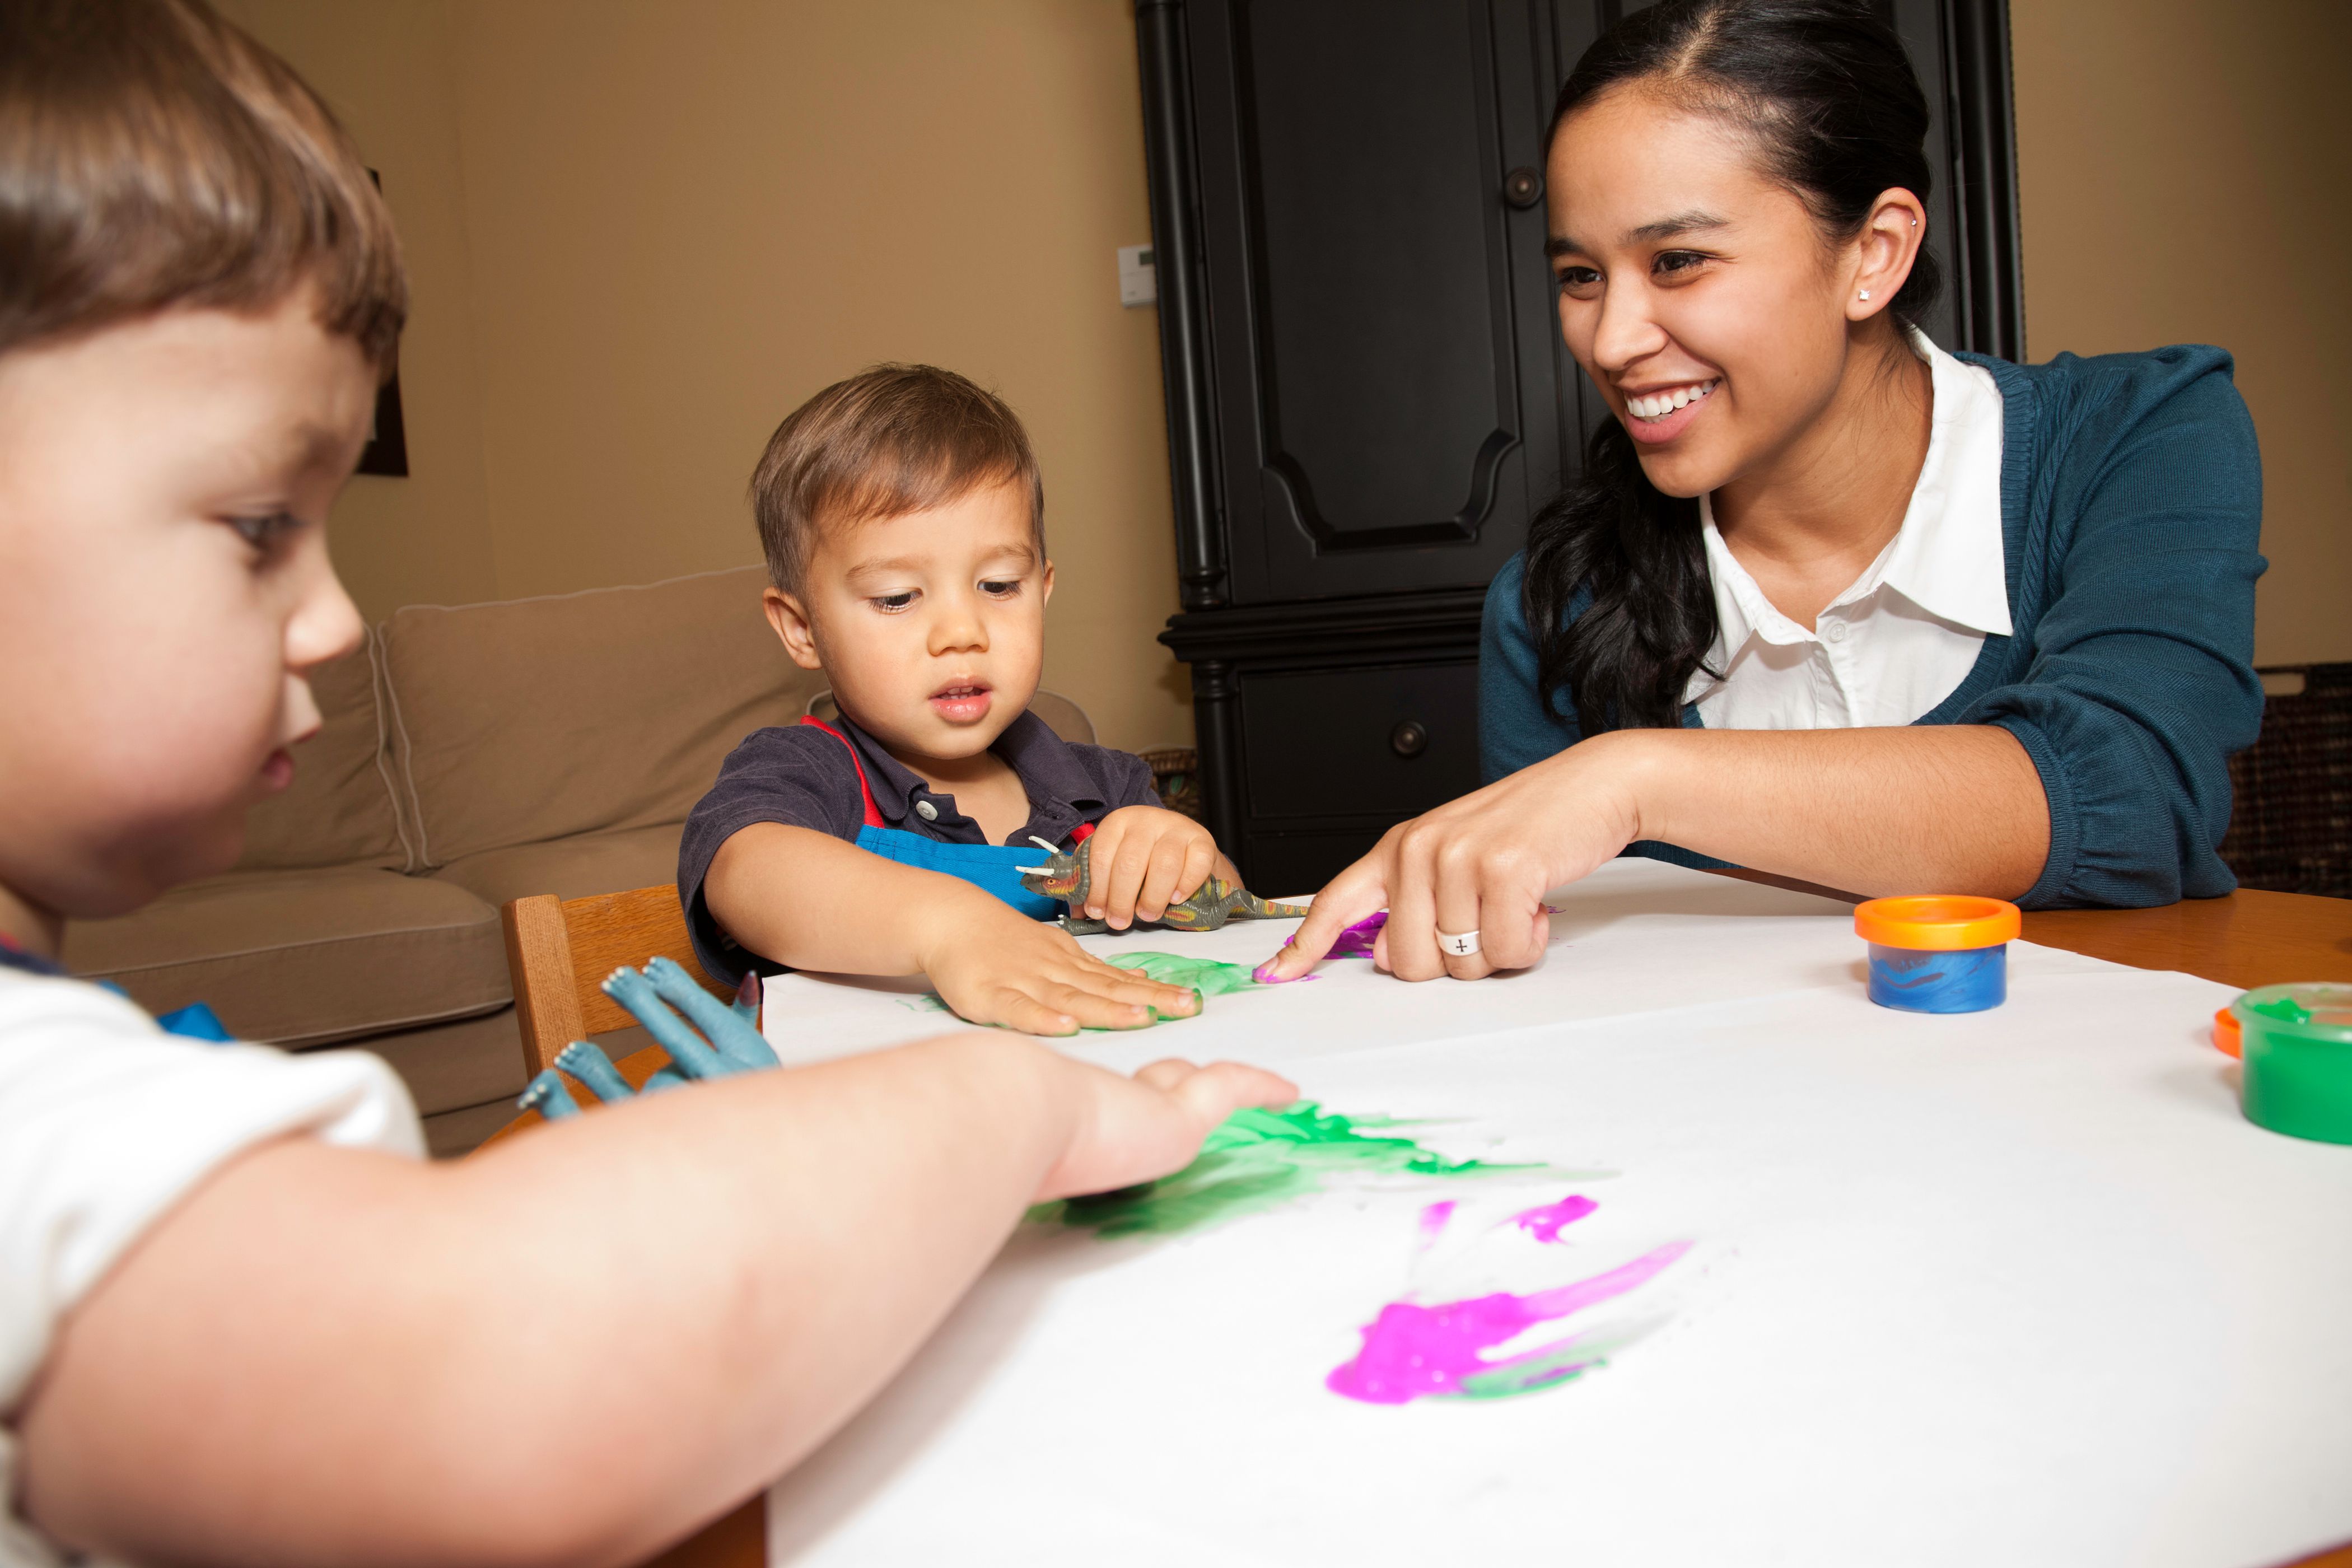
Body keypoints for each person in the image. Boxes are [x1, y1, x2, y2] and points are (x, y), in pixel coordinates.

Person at [0, 4, 1294, 1563]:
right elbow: (490, 1392)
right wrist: (1017, 1108)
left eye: (998, 584)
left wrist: (1177, 845)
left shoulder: (1079, 755)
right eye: (260, 525)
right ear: (800, 626)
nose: (339, 618)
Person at [1265, 0, 2264, 986]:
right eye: (1580, 275)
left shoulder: (2143, 435)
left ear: (1873, 252)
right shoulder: (1553, 606)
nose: (1610, 342)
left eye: (1679, 261)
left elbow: (2135, 799)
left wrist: (1633, 778)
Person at [681, 366, 1250, 1034]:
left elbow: (1228, 915)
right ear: (802, 629)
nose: (962, 633)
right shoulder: (805, 771)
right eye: (897, 597)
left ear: (1042, 589)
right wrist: (947, 927)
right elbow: (743, 874)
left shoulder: (1108, 787)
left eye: (999, 585)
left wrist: (1188, 860)